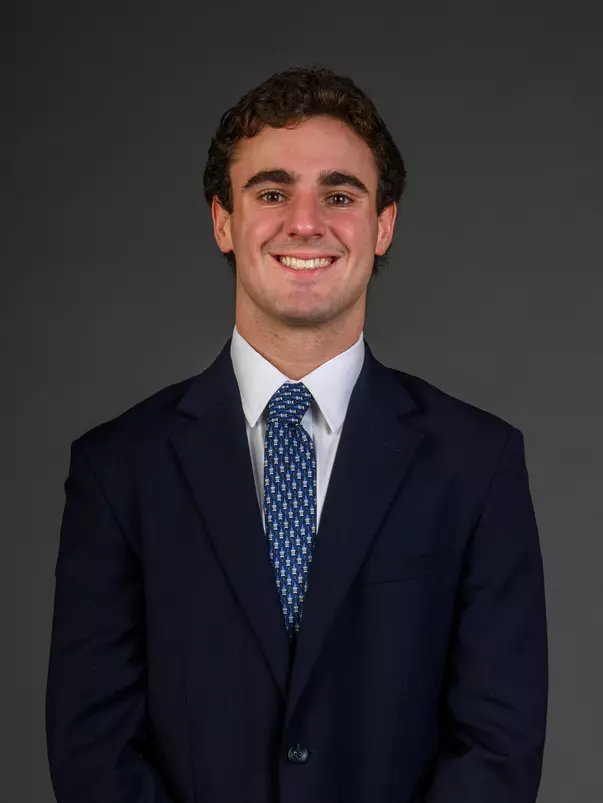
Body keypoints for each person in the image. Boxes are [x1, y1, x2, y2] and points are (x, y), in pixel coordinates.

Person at [45, 67, 548, 803]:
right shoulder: (117, 469)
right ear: (223, 220)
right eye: (272, 193)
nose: (305, 223)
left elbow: (498, 745)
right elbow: (94, 747)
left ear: (383, 225)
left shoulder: (478, 464)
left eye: (339, 196)